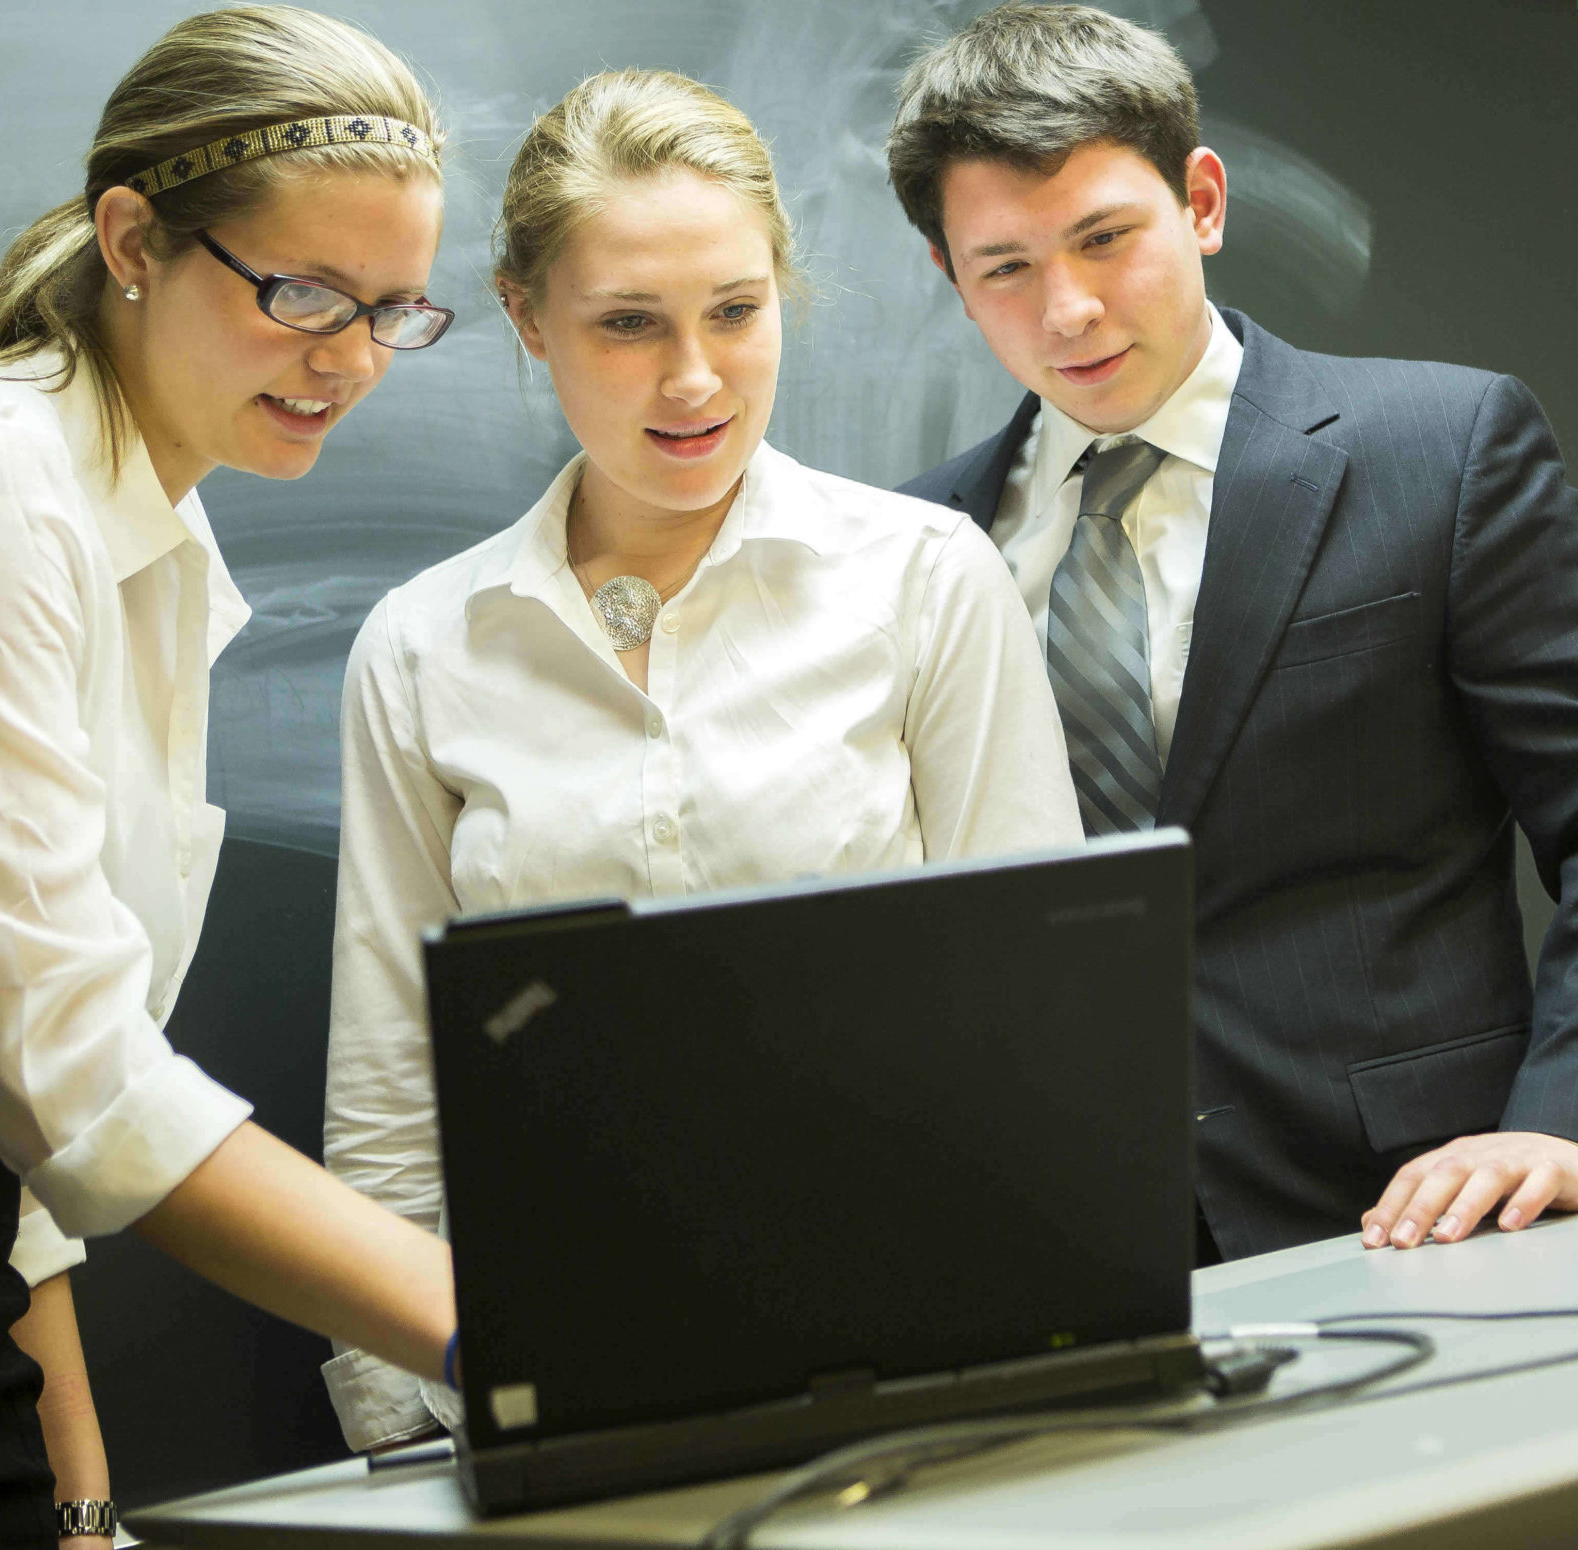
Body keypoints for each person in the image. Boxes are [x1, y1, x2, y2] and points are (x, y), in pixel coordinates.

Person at [0, 10, 465, 1544]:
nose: (349, 358)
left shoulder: (160, 558)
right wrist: (510, 1337)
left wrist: (79, 1507)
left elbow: (28, 1127)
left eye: (394, 309)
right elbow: (79, 1077)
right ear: (134, 235)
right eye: (304, 291)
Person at [883, 4, 1578, 1265]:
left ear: (1204, 203)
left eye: (1105, 238)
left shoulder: (1440, 450)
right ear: (952, 279)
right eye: (1004, 265)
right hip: (1088, 1252)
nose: (1065, 308)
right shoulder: (919, 545)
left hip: (1439, 1216)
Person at [320, 67, 1080, 1453]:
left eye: (736, 310)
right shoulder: (425, 647)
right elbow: (390, 1085)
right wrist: (401, 1422)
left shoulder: (921, 579)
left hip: (914, 1336)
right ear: (525, 319)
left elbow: (1041, 1014)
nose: (693, 377)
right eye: (627, 324)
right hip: (558, 1366)